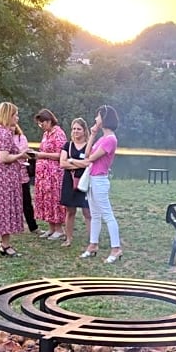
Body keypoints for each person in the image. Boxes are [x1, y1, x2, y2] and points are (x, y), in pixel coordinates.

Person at [80, 104, 122, 263]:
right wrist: (92, 134)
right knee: (95, 215)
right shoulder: (102, 138)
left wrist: (83, 159)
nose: (95, 119)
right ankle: (93, 245)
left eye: (97, 116)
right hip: (93, 180)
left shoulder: (110, 139)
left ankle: (116, 248)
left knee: (107, 215)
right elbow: (86, 153)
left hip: (100, 181)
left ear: (104, 118)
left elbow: (90, 158)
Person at [0, 101, 28, 257]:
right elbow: (4, 157)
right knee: (5, 208)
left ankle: (3, 242)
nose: (17, 118)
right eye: (15, 114)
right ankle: (5, 245)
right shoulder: (4, 133)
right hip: (4, 175)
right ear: (8, 115)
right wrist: (21, 155)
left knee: (2, 207)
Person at [32, 108, 67, 240]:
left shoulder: (58, 133)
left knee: (54, 199)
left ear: (49, 120)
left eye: (43, 123)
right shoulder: (46, 134)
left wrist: (42, 155)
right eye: (39, 124)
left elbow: (60, 154)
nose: (41, 126)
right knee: (45, 199)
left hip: (54, 173)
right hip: (43, 174)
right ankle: (51, 227)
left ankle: (59, 228)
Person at [58, 117, 92, 248]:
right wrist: (79, 164)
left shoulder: (89, 146)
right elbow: (62, 163)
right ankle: (69, 238)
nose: (76, 131)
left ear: (84, 131)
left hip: (85, 182)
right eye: (74, 129)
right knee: (70, 211)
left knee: (87, 212)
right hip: (69, 181)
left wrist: (71, 161)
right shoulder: (68, 145)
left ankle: (91, 239)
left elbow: (89, 163)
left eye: (79, 129)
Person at [12, 122, 38, 234]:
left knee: (26, 202)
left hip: (22, 173)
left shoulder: (21, 138)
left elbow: (26, 152)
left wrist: (21, 154)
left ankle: (33, 226)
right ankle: (13, 226)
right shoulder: (4, 138)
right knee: (11, 203)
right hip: (10, 175)